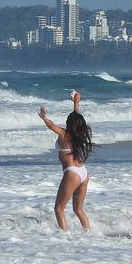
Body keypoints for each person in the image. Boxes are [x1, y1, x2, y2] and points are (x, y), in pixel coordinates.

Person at [39, 91, 93, 232]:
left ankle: (64, 238)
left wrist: (44, 117)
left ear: (68, 124)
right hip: (83, 173)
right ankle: (89, 235)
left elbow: (51, 125)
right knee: (78, 209)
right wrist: (76, 103)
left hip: (72, 173)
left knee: (59, 209)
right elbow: (76, 118)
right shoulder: (78, 135)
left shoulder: (64, 134)